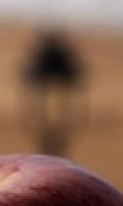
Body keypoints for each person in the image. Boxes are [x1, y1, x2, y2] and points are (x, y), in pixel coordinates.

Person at [19, 29, 86, 157]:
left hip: (51, 83)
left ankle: (53, 140)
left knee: (54, 113)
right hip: (55, 83)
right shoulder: (57, 58)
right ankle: (51, 140)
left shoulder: (46, 58)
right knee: (54, 113)